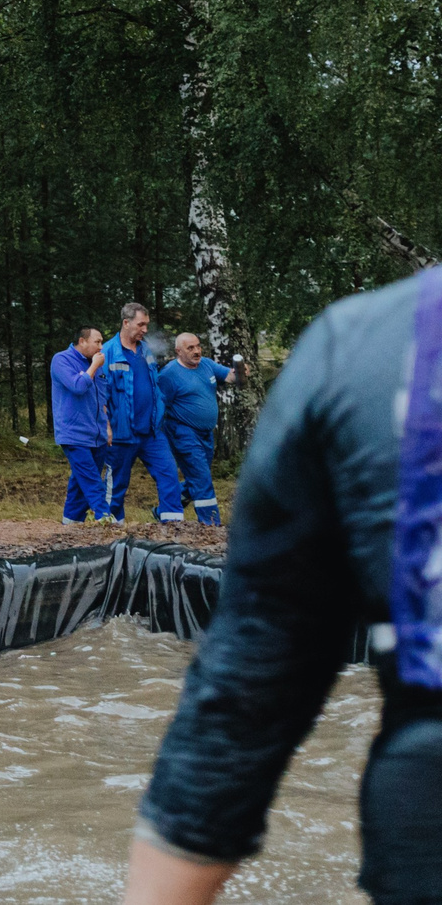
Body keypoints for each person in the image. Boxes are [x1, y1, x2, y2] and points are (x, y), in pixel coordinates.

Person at [122, 267, 442, 905]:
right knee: (184, 489)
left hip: (421, 805)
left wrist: (234, 373)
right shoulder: (158, 372)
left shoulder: (359, 345)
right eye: (185, 346)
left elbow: (254, 678)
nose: (191, 351)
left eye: (193, 347)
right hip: (176, 440)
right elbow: (256, 668)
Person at [103, 302, 187, 524]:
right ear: (126, 322)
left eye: (147, 325)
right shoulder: (108, 352)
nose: (145, 330)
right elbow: (100, 394)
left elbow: (154, 382)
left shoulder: (145, 349)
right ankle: (110, 529)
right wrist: (106, 426)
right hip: (122, 433)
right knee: (117, 484)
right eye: (141, 324)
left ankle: (174, 527)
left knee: (169, 474)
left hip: (151, 430)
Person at [154, 332, 245, 527]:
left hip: (205, 433)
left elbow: (229, 376)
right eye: (190, 348)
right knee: (202, 479)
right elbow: (159, 407)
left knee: (197, 476)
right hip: (183, 432)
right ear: (178, 351)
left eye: (198, 346)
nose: (197, 351)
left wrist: (239, 372)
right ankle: (211, 525)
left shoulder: (206, 364)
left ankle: (162, 509)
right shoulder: (169, 375)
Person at [50, 325, 113, 524]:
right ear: (82, 341)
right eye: (97, 342)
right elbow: (77, 386)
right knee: (92, 480)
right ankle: (104, 518)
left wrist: (108, 426)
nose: (101, 347)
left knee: (80, 481)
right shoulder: (61, 360)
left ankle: (71, 523)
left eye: (102, 342)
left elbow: (102, 399)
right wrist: (93, 367)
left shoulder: (98, 363)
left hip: (97, 435)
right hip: (74, 434)